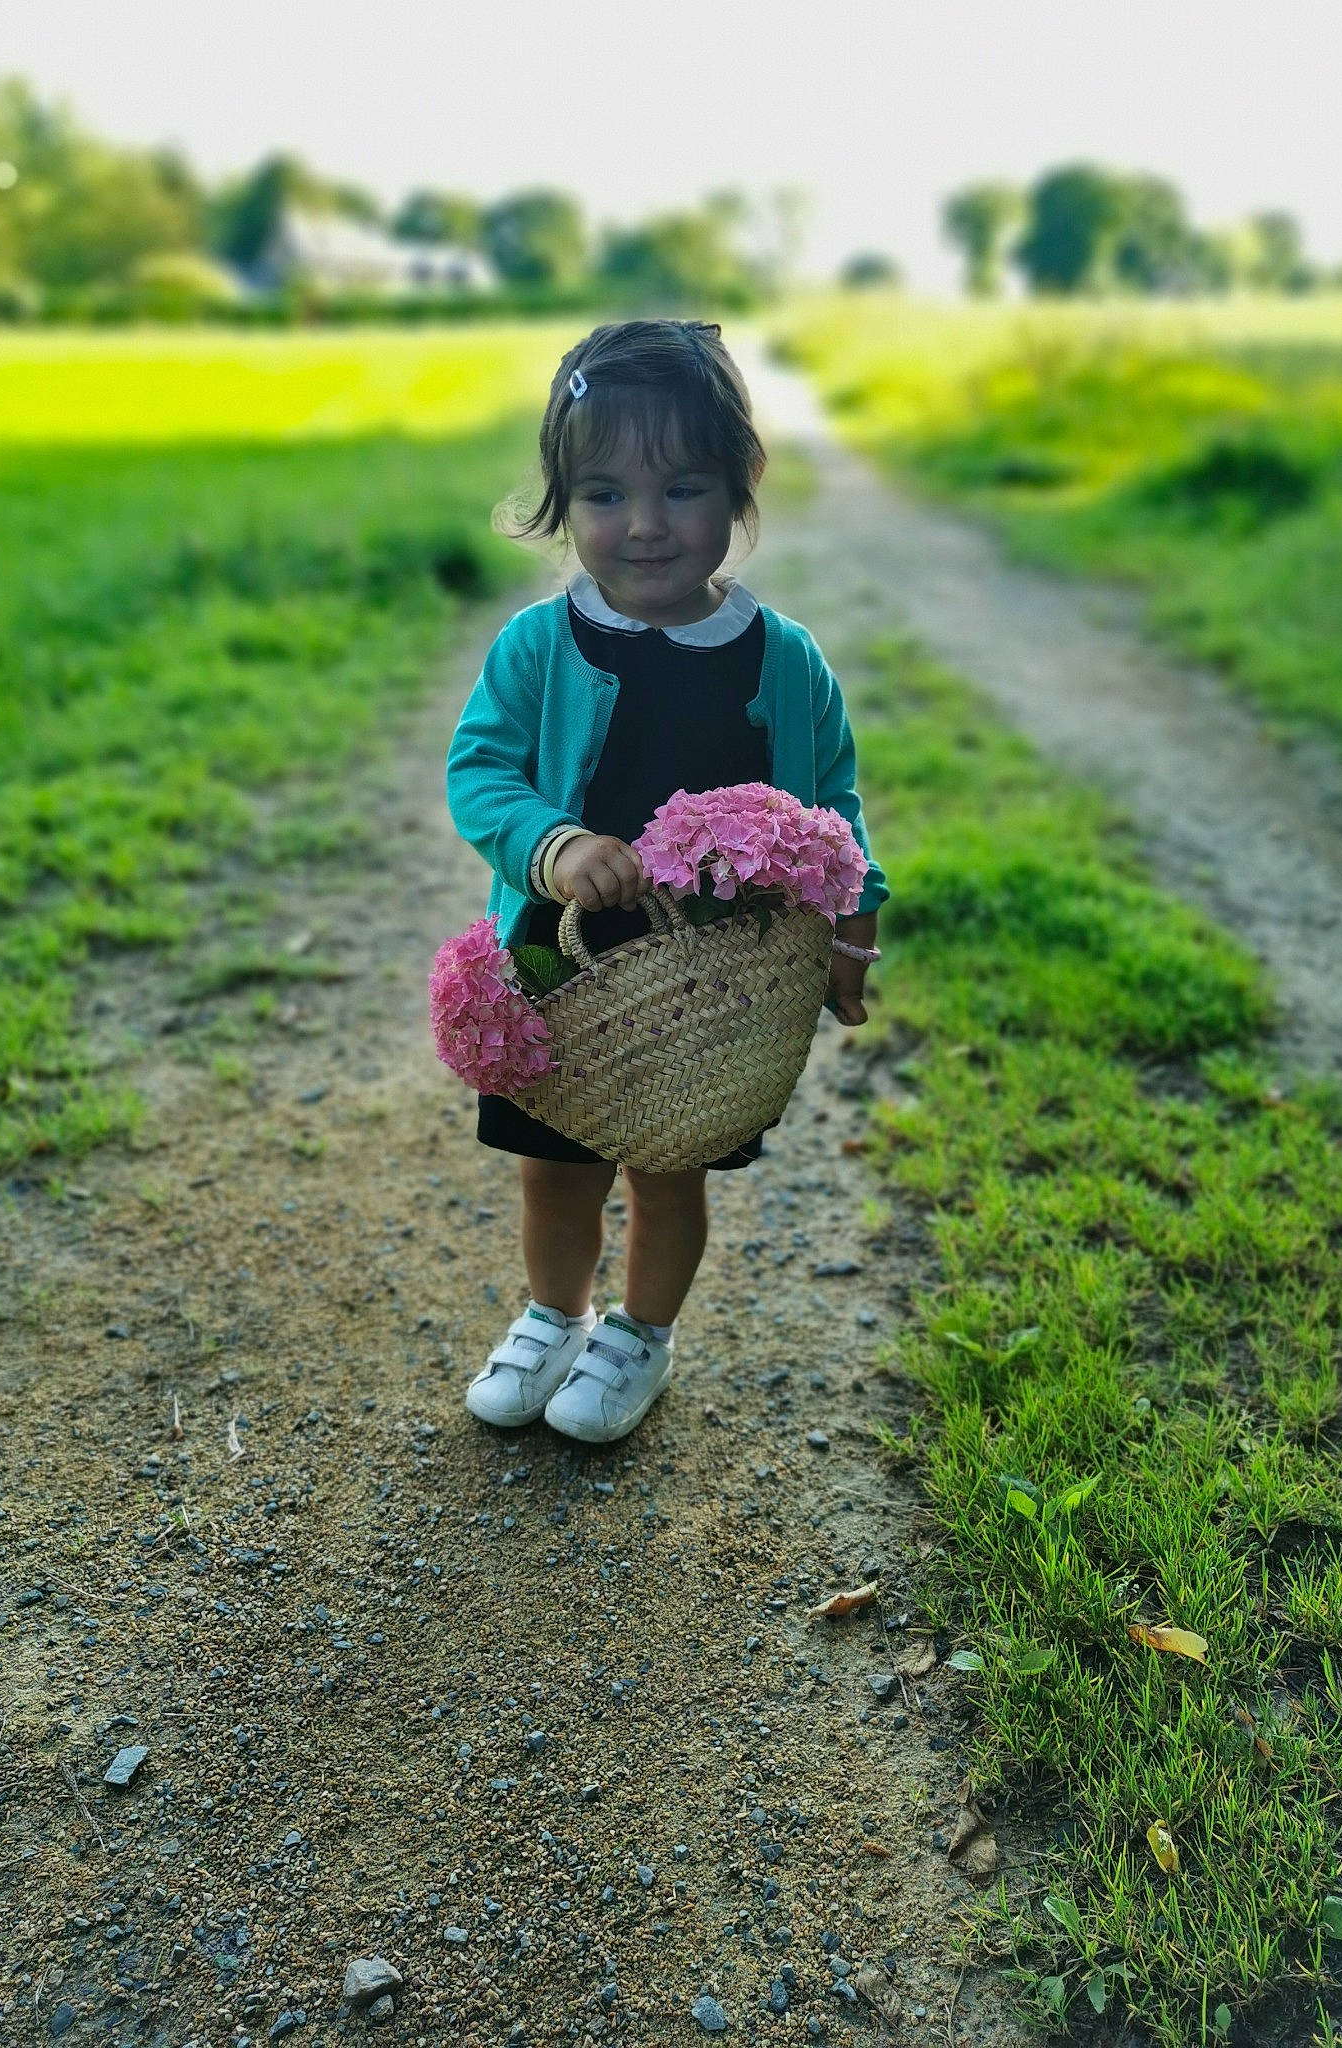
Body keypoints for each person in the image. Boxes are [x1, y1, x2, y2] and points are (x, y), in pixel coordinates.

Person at [445, 319, 887, 1444]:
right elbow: (481, 769)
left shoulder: (779, 659)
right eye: (602, 494)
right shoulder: (539, 647)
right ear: (560, 502)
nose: (643, 525)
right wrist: (551, 842)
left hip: (711, 981)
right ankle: (555, 1312)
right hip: (557, 954)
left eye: (682, 488)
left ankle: (641, 1332)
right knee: (553, 1160)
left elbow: (834, 804)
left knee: (667, 1159)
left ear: (738, 491)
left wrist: (850, 927)